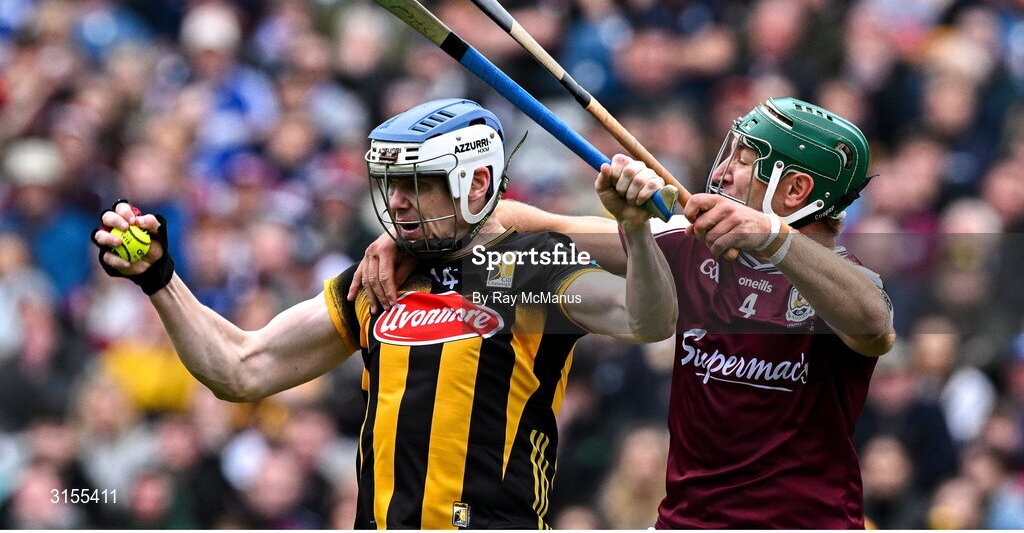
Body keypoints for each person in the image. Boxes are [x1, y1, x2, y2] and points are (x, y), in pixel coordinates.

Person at [91, 98, 678, 530]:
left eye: (417, 183)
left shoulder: (536, 266)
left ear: (475, 184)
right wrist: (160, 279)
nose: (396, 201)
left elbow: (647, 321)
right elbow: (241, 368)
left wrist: (634, 230)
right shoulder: (380, 279)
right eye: (392, 183)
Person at [355, 97, 896, 528]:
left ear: (796, 189)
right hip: (686, 524)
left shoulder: (840, 284)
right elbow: (524, 221)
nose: (724, 171)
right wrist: (406, 236)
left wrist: (773, 237)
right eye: (729, 153)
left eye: (746, 161)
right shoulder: (691, 247)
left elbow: (875, 325)